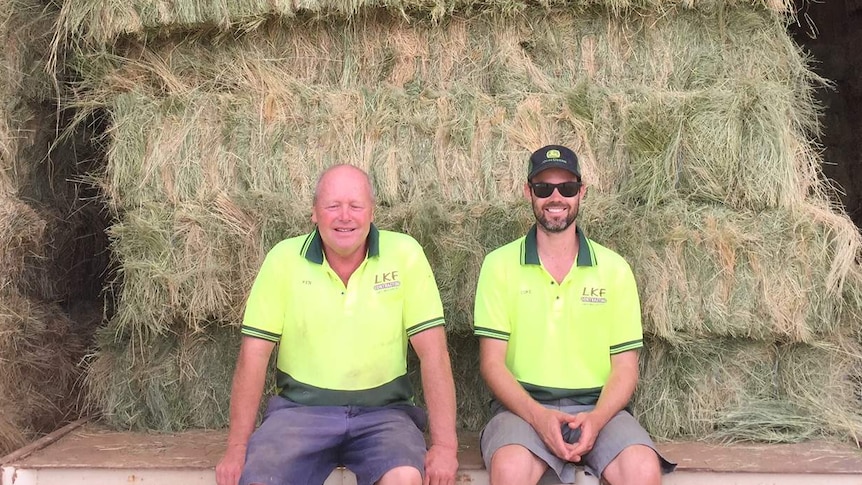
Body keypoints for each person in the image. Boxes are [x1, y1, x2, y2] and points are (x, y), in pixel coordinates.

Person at [216, 164, 459, 485]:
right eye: (332, 206)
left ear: (371, 212)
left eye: (355, 206)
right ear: (315, 213)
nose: (345, 216)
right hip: (298, 414)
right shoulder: (283, 260)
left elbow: (434, 355)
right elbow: (253, 356)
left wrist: (445, 446)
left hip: (384, 415)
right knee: (259, 479)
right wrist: (236, 447)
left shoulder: (405, 254)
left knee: (405, 478)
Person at [472, 145, 675, 485]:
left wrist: (596, 420)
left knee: (642, 469)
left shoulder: (615, 269)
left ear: (581, 192)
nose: (555, 197)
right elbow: (492, 364)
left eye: (566, 188)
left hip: (600, 408)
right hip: (523, 409)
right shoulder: (498, 265)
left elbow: (625, 368)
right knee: (509, 470)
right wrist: (538, 417)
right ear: (528, 192)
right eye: (543, 188)